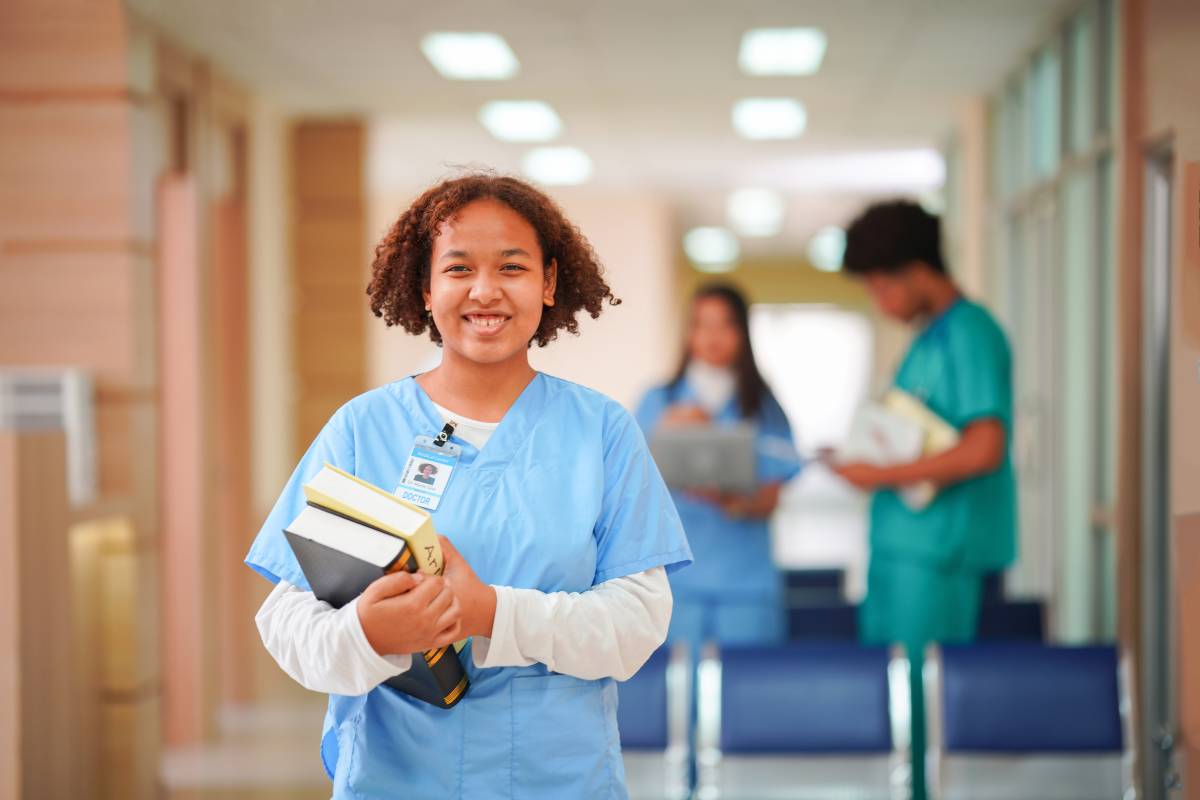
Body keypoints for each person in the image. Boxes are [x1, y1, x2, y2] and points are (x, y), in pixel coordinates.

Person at [246, 174, 692, 799]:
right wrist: (368, 636)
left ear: (549, 282)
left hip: (556, 777)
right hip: (395, 776)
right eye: (458, 269)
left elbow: (638, 624)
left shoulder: (601, 432)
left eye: (512, 266)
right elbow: (287, 620)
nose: (485, 291)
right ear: (426, 288)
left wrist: (492, 613)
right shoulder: (362, 429)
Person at [831, 199, 1016, 800]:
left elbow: (984, 447)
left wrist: (877, 476)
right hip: (900, 551)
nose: (880, 301)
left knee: (922, 715)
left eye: (882, 284)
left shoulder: (971, 333)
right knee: (887, 706)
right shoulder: (924, 341)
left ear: (917, 269)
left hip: (938, 556)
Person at [635, 283, 802, 653]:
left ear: (743, 333)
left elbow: (772, 496)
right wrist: (668, 432)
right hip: (676, 585)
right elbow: (629, 481)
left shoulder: (765, 408)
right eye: (701, 324)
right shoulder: (658, 402)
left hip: (745, 584)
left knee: (748, 698)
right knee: (675, 700)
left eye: (724, 325)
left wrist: (731, 499)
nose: (712, 337)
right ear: (688, 332)